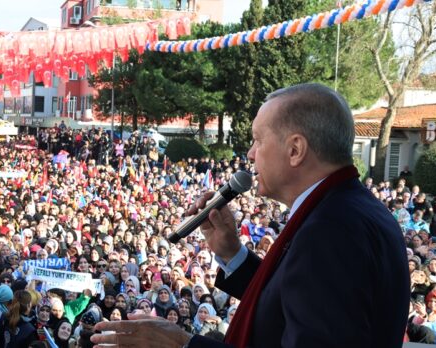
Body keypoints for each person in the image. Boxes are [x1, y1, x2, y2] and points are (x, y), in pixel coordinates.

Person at [90, 83, 410, 347]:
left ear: (295, 150)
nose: (250, 154)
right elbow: (290, 304)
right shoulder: (348, 208)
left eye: (258, 139)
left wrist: (182, 344)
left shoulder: (331, 230)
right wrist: (232, 253)